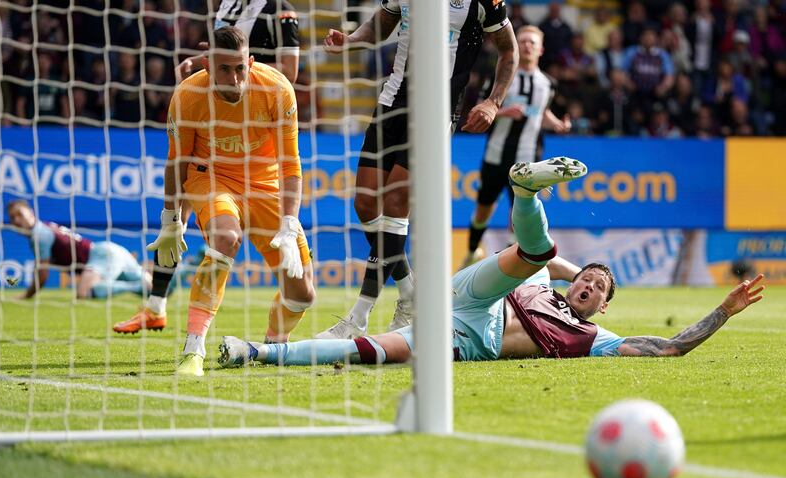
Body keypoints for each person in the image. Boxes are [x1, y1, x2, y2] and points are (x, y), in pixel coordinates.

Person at [217, 157, 765, 366]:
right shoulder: (550, 285)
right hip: (478, 296)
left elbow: (669, 346)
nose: (591, 288)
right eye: (590, 279)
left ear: (601, 308)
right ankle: (524, 193)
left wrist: (724, 310)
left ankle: (260, 352)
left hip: (467, 339)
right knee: (534, 259)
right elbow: (553, 270)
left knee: (368, 354)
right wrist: (565, 269)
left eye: (599, 289)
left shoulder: (594, 340)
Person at [316, 0, 519, 340]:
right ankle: (411, 294)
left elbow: (508, 50)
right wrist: (352, 40)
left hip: (436, 110)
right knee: (365, 206)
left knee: (396, 205)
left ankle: (357, 319)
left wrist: (491, 102)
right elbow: (382, 24)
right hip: (391, 101)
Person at [113, 0, 300, 335]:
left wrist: (229, 66)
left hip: (252, 122)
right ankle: (157, 305)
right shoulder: (227, 5)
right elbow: (222, 52)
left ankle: (158, 306)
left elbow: (289, 69)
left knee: (185, 214)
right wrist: (205, 64)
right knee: (174, 219)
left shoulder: (278, 9)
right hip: (213, 117)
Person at [148, 26, 314, 377]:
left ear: (250, 61)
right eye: (224, 69)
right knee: (226, 238)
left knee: (302, 294)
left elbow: (291, 165)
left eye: (240, 68)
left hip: (266, 184)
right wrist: (170, 218)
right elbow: (177, 163)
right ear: (207, 64)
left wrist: (288, 223)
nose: (235, 78)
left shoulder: (277, 89)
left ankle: (269, 346)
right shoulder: (188, 95)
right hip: (213, 178)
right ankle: (194, 348)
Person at [460, 25, 570, 269]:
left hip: (526, 160)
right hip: (496, 154)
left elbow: (542, 113)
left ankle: (510, 262)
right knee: (483, 209)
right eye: (523, 41)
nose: (527, 45)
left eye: (532, 42)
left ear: (541, 49)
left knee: (519, 212)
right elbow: (479, 109)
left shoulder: (547, 84)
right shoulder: (502, 76)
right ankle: (471, 251)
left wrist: (557, 125)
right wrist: (503, 112)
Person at [7, 200, 151, 300]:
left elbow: (42, 274)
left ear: (31, 213)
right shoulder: (45, 228)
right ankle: (163, 281)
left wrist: (26, 296)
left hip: (102, 256)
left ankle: (138, 286)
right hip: (111, 252)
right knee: (153, 288)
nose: (17, 220)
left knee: (84, 292)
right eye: (13, 218)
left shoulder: (39, 235)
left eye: (20, 214)